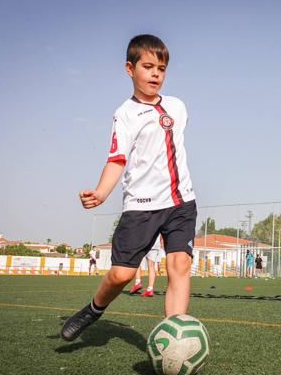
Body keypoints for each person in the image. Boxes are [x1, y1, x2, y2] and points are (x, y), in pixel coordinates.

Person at [61, 34, 197, 342]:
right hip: (141, 206)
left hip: (182, 203)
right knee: (121, 274)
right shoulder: (125, 114)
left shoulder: (177, 106)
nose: (155, 74)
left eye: (161, 68)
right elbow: (117, 158)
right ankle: (93, 309)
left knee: (180, 265)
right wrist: (100, 192)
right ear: (129, 68)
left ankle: (175, 338)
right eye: (148, 67)